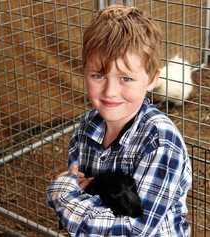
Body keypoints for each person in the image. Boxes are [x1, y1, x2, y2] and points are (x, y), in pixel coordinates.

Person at [47, 4, 192, 236]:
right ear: (84, 72)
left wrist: (62, 194)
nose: (110, 91)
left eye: (126, 78)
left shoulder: (161, 142)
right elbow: (80, 189)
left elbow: (134, 230)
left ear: (153, 79)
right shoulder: (86, 128)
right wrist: (76, 197)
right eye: (98, 75)